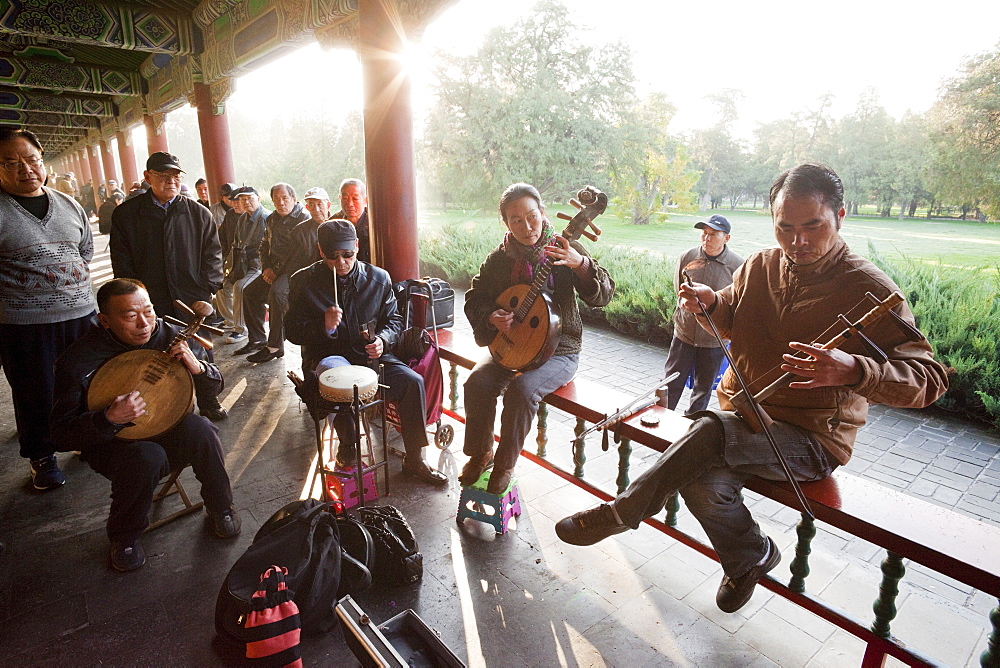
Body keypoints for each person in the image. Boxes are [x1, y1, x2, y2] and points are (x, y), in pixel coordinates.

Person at [555, 164, 949, 614]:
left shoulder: (870, 289)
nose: (797, 241)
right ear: (773, 221)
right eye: (785, 227)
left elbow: (929, 380)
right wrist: (712, 303)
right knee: (701, 484)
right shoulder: (761, 265)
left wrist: (853, 370)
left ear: (840, 216)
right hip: (746, 418)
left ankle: (621, 513)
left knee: (704, 433)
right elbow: (734, 317)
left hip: (810, 437)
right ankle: (752, 556)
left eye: (813, 226)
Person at [51, 279, 241, 572]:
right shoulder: (78, 361)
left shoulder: (171, 335)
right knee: (147, 456)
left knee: (202, 430)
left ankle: (222, 507)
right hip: (112, 445)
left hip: (168, 427)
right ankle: (124, 537)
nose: (144, 323)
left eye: (149, 311)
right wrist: (108, 419)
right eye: (129, 316)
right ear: (104, 320)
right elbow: (60, 435)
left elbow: (212, 390)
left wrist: (198, 368)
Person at [460, 183, 615, 495]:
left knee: (521, 390)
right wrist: (492, 316)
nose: (526, 226)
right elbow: (475, 296)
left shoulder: (564, 248)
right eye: (516, 220)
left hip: (559, 350)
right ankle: (482, 454)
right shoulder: (499, 259)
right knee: (476, 383)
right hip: (512, 341)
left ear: (543, 214)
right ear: (506, 223)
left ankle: (504, 464)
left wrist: (581, 265)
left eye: (532, 216)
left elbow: (604, 296)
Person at [286, 220, 448, 486]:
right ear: (320, 251)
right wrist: (322, 326)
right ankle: (349, 446)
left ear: (357, 247)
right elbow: (291, 330)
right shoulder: (303, 281)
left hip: (371, 356)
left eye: (347, 255)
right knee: (341, 379)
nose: (341, 263)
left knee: (412, 382)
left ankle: (416, 459)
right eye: (332, 256)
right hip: (329, 356)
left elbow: (394, 321)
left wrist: (383, 340)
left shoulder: (378, 278)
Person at [0, 128, 97, 490]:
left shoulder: (69, 204)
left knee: (85, 383)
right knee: (35, 390)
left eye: (32, 160)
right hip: (25, 325)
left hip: (80, 316)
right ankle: (42, 457)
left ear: (43, 161)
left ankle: (86, 438)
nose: (25, 169)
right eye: (11, 163)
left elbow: (85, 251)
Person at [110, 151, 227, 421]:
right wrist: (133, 299)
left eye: (175, 176)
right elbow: (122, 262)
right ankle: (160, 407)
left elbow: (214, 255)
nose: (171, 181)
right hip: (149, 301)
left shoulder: (198, 212)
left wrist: (207, 291)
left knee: (200, 352)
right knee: (153, 353)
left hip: (192, 299)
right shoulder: (128, 214)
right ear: (147, 177)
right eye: (163, 176)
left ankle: (209, 401)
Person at [661, 214, 743, 415]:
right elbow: (678, 290)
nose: (707, 239)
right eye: (704, 234)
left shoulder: (738, 266)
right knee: (670, 383)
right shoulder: (687, 257)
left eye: (713, 234)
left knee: (703, 390)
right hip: (684, 336)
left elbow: (738, 304)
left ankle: (691, 430)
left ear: (727, 238)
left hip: (714, 342)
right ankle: (660, 423)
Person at [243, 183, 311, 363]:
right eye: (276, 199)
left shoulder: (303, 218)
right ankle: (257, 339)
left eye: (285, 198)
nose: (281, 203)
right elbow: (263, 245)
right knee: (249, 292)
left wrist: (276, 272)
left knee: (278, 293)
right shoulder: (272, 218)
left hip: (295, 272)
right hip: (273, 270)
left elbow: (298, 255)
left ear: (294, 199)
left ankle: (275, 346)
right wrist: (266, 268)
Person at [226, 186, 270, 356]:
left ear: (258, 198)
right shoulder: (242, 218)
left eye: (250, 198)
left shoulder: (266, 217)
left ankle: (241, 329)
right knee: (223, 285)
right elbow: (236, 243)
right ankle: (254, 336)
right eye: (242, 199)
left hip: (259, 265)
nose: (246, 202)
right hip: (244, 264)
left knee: (241, 288)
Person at [334, 179, 371, 264]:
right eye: (345, 198)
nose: (350, 203)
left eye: (355, 198)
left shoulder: (373, 223)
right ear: (340, 198)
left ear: (365, 201)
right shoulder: (335, 224)